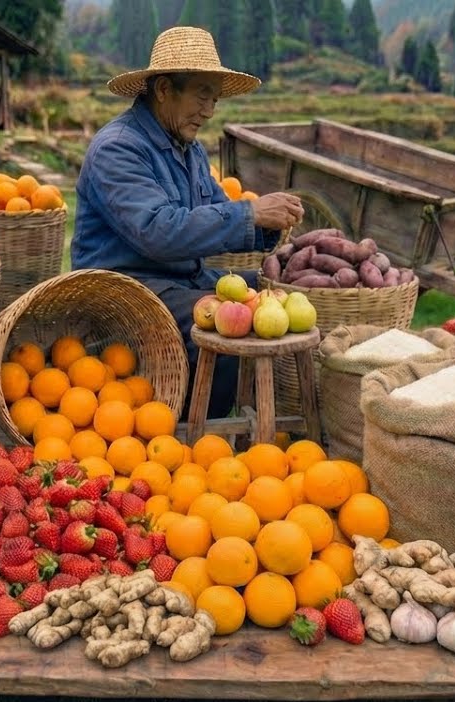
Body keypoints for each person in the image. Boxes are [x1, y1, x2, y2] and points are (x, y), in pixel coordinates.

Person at [70, 26, 305, 419]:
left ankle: (261, 409)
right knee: (226, 326)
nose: (210, 110)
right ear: (163, 89)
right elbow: (159, 232)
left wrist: (271, 232)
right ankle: (200, 435)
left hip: (179, 277)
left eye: (214, 98)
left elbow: (215, 208)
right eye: (201, 94)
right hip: (126, 289)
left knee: (272, 288)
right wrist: (249, 213)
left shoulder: (188, 147)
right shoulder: (119, 148)